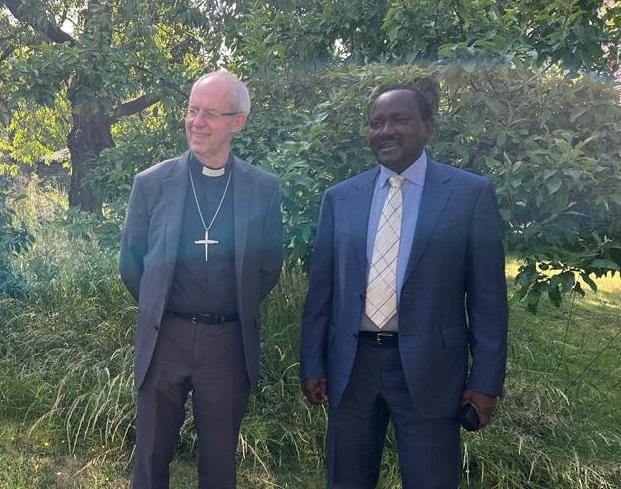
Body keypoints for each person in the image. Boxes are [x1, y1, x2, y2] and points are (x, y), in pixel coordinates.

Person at [299, 84, 508, 489]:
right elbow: (321, 292)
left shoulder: (469, 195)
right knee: (346, 480)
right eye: (376, 123)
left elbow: (488, 301)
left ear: (428, 126)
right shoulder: (340, 198)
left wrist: (484, 382)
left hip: (431, 368)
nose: (386, 131)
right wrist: (313, 362)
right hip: (352, 366)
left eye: (400, 119)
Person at [120, 70, 283, 489]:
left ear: (238, 122)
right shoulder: (152, 183)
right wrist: (162, 306)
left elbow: (268, 266)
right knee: (151, 456)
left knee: (218, 461)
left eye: (210, 113)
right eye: (192, 110)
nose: (196, 122)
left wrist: (228, 307)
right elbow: (131, 263)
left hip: (227, 341)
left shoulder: (262, 188)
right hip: (165, 336)